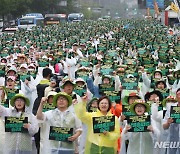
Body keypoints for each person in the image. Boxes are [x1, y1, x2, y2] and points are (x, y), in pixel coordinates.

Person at [162, 88, 180, 154]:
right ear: (176, 96)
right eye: (179, 94)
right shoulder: (171, 108)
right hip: (173, 139)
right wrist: (168, 123)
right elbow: (164, 127)